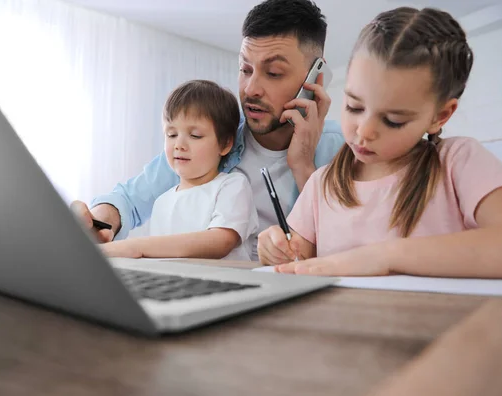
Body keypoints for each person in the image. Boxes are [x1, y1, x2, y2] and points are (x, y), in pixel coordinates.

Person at [70, 0, 346, 261]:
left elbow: (344, 250)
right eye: (245, 69)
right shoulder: (215, 137)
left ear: (315, 80)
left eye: (273, 73)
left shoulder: (343, 150)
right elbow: (128, 199)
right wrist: (98, 220)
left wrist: (303, 165)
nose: (251, 89)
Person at [257, 6, 502, 278]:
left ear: (440, 116)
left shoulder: (458, 161)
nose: (364, 132)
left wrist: (384, 256)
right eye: (354, 106)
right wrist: (274, 248)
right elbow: (298, 258)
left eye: (393, 120)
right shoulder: (321, 184)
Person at [92, 80, 258, 260]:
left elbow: (220, 241)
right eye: (171, 134)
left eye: (195, 135)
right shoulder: (162, 201)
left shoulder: (233, 185)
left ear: (225, 143)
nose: (179, 145)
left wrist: (136, 247)